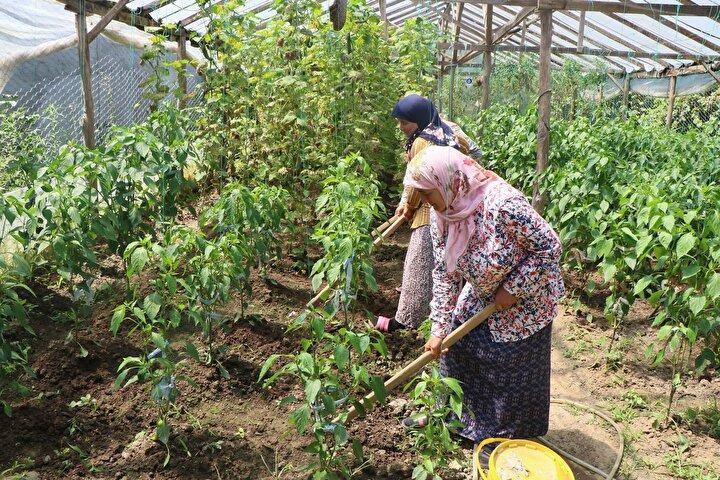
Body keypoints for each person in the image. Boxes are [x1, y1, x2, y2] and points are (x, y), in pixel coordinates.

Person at [404, 145, 565, 444]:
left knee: (509, 369)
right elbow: (444, 273)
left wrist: (513, 288)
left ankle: (506, 438)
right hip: (483, 291)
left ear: (449, 180)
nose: (425, 201)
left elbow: (549, 248)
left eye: (427, 193)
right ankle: (451, 419)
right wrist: (438, 329)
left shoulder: (503, 206)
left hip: (527, 299)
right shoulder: (446, 214)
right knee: (457, 347)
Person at [375, 94, 481, 333]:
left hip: (430, 210)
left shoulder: (423, 142)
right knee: (449, 262)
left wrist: (410, 205)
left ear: (418, 119)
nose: (401, 127)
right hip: (452, 205)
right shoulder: (443, 129)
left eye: (405, 122)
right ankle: (456, 316)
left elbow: (418, 180)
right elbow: (473, 152)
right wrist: (406, 202)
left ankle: (406, 320)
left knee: (419, 265)